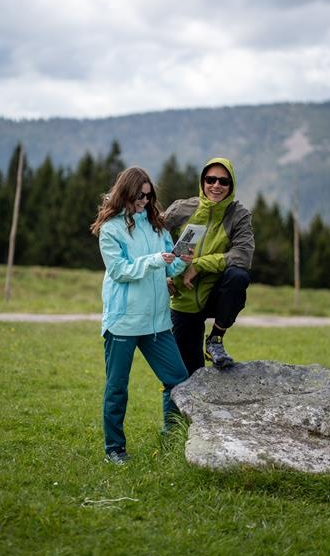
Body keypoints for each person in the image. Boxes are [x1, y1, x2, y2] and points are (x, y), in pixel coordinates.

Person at [90, 166, 190, 465]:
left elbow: (169, 266)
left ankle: (172, 436)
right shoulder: (111, 229)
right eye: (139, 196)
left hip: (156, 322)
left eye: (148, 196)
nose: (144, 201)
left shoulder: (157, 226)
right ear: (126, 193)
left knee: (178, 380)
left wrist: (181, 260)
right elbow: (119, 271)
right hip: (124, 321)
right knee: (117, 388)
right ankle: (114, 449)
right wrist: (155, 260)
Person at [163, 157, 255, 376]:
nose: (216, 185)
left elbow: (243, 255)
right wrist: (163, 274)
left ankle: (215, 339)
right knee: (188, 374)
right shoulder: (182, 208)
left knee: (238, 276)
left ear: (231, 185)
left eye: (223, 181)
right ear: (202, 181)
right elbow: (151, 237)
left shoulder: (238, 215)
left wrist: (198, 265)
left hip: (216, 294)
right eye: (210, 179)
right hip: (184, 297)